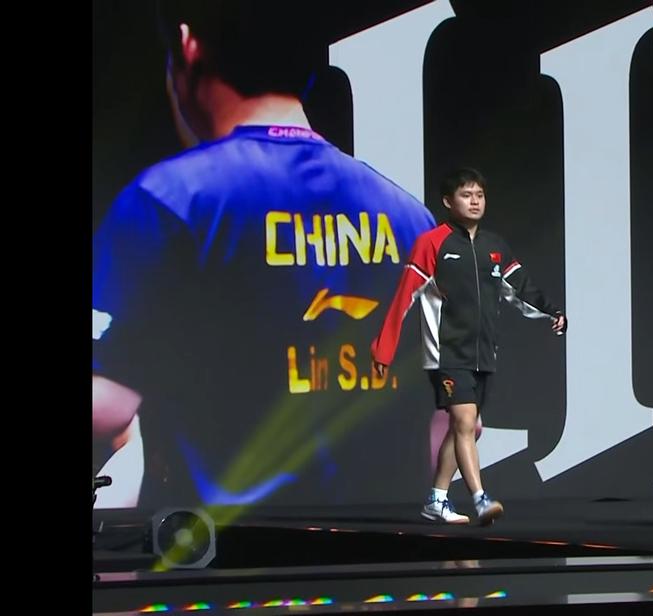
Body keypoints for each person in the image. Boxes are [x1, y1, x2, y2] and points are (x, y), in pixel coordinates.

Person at [92, 0, 435, 508]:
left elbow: (109, 406)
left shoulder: (171, 202)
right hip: (389, 551)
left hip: (234, 553)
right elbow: (448, 419)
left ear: (188, 45)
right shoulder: (412, 219)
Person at [372, 168, 567, 526]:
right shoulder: (431, 244)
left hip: (484, 353)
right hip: (446, 353)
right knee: (463, 421)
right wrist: (383, 349)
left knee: (467, 428)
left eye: (479, 195)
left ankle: (437, 500)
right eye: (466, 195)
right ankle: (481, 498)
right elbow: (403, 298)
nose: (475, 201)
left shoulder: (495, 246)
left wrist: (553, 312)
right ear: (449, 202)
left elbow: (521, 288)